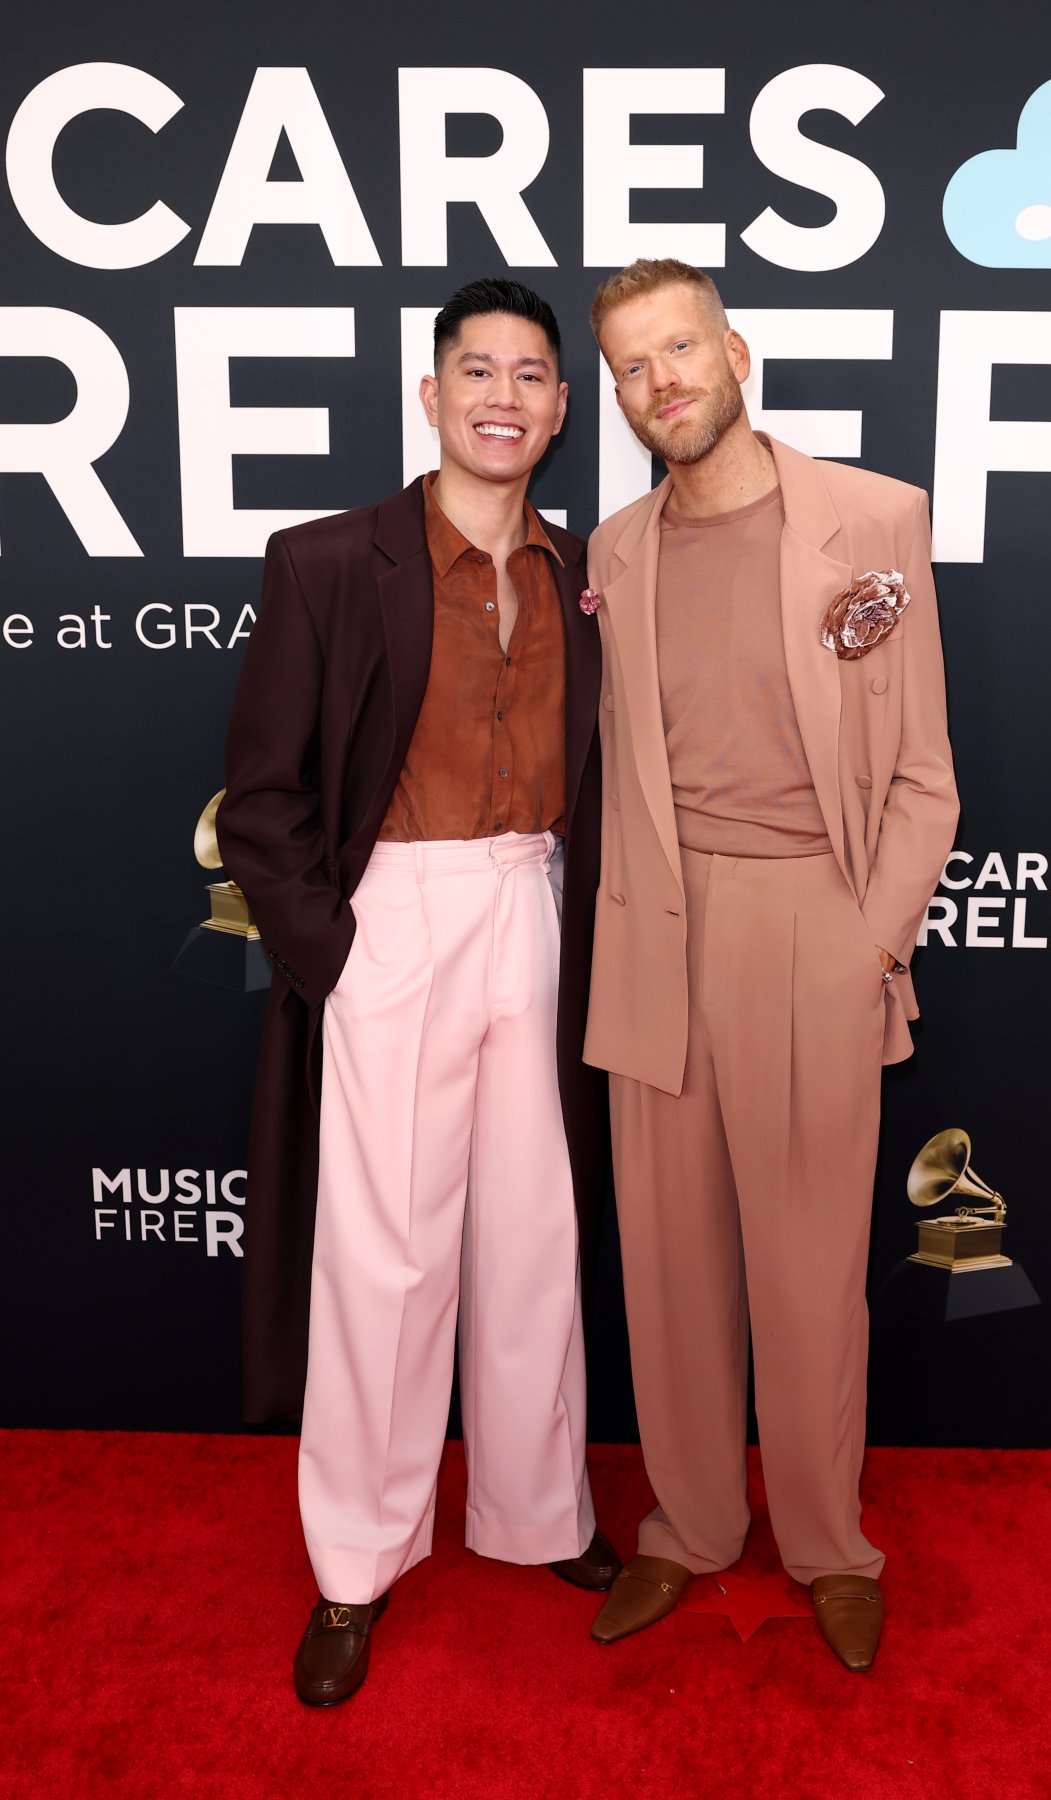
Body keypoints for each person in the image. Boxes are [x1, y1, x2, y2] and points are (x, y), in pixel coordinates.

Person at [218, 278, 617, 1708]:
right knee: (383, 1256)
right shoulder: (329, 561)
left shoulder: (589, 571)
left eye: (531, 375)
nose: (504, 395)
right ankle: (356, 1561)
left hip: (534, 906)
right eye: (478, 371)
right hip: (393, 911)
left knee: (534, 1229)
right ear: (432, 394)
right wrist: (337, 948)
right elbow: (260, 800)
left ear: (563, 411)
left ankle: (535, 1513)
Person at [582, 258, 958, 1669]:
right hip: (655, 932)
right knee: (668, 1269)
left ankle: (827, 1544)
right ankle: (686, 1526)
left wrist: (867, 941)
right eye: (630, 365)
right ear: (613, 395)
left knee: (809, 1270)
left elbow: (925, 779)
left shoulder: (872, 520)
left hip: (814, 924)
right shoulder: (612, 554)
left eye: (678, 348)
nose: (660, 380)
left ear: (736, 352)